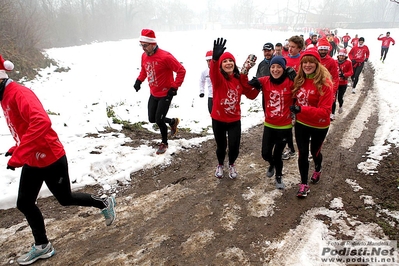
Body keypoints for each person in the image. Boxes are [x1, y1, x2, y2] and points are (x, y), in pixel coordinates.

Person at [0, 55, 116, 265]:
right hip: (33, 159)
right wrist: (17, 147)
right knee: (24, 203)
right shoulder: (4, 96)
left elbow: (41, 122)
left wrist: (20, 154)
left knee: (65, 199)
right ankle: (42, 246)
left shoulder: (18, 93)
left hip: (51, 157)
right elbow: (25, 127)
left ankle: (104, 202)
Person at [209, 38, 259, 179]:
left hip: (234, 120)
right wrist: (215, 59)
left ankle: (231, 164)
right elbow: (213, 72)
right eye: (225, 61)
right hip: (218, 119)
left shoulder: (239, 79)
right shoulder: (218, 79)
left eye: (230, 61)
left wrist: (258, 87)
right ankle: (220, 164)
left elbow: (251, 95)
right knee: (221, 146)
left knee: (234, 146)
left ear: (234, 63)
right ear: (221, 65)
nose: (228, 63)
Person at [134, 29, 186, 155]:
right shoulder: (144, 56)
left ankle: (164, 143)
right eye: (141, 45)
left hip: (166, 94)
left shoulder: (165, 57)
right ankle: (173, 122)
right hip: (154, 93)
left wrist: (174, 87)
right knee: (152, 118)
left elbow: (181, 70)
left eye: (145, 46)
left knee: (159, 119)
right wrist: (139, 80)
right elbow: (144, 70)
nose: (143, 48)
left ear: (152, 44)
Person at [289, 49, 334, 197]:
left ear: (317, 64)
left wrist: (301, 109)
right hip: (302, 123)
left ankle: (318, 168)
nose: (307, 65)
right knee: (302, 153)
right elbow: (292, 97)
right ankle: (304, 184)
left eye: (311, 62)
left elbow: (325, 111)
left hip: (319, 125)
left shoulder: (325, 83)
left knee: (315, 152)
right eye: (304, 62)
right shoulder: (299, 79)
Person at [248, 56, 295, 189]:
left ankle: (278, 176)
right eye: (273, 67)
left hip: (284, 126)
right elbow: (247, 86)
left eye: (279, 67)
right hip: (269, 124)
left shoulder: (290, 82)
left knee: (278, 154)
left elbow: (304, 85)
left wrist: (296, 75)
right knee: (265, 153)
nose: (275, 69)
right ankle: (272, 164)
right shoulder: (265, 80)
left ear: (284, 68)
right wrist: (252, 82)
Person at [317, 38, 339, 121]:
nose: (323, 52)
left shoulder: (331, 61)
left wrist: (333, 90)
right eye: (321, 49)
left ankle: (330, 114)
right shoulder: (314, 60)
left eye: (325, 50)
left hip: (326, 87)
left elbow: (335, 77)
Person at [334, 49, 354, 116]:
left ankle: (340, 105)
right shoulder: (334, 62)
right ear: (338, 55)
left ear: (345, 56)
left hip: (343, 83)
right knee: (333, 98)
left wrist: (344, 74)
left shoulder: (348, 63)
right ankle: (332, 113)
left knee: (340, 97)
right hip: (335, 83)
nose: (341, 57)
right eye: (340, 55)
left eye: (343, 56)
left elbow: (351, 72)